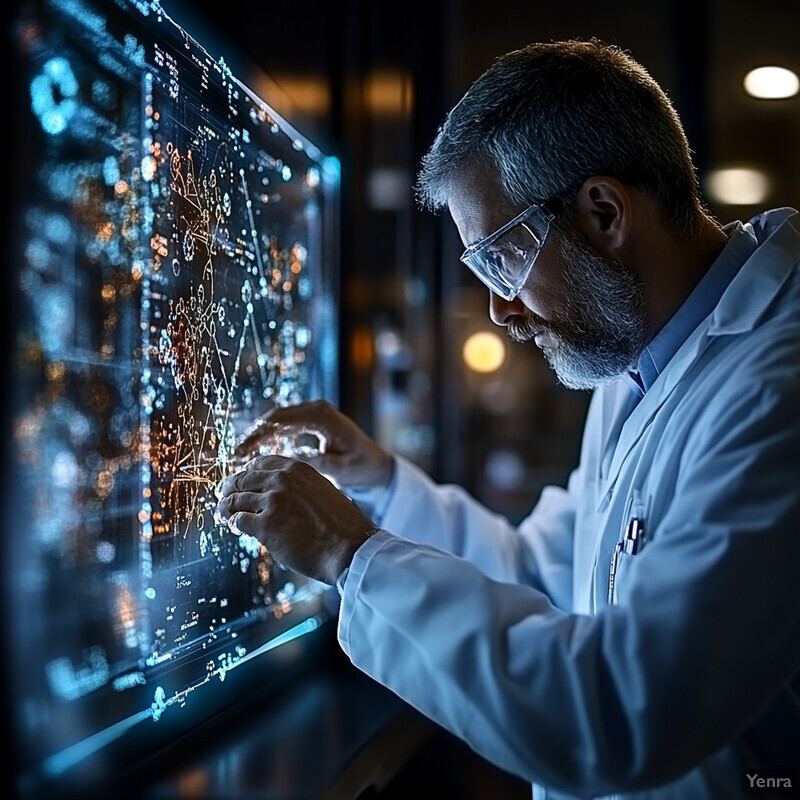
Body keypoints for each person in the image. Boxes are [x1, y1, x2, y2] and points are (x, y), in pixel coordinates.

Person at [215, 39, 800, 799]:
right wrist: (381, 485)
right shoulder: (644, 367)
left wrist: (348, 555)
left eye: (503, 258)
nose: (500, 308)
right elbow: (546, 578)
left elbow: (621, 713)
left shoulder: (774, 389)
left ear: (603, 211)